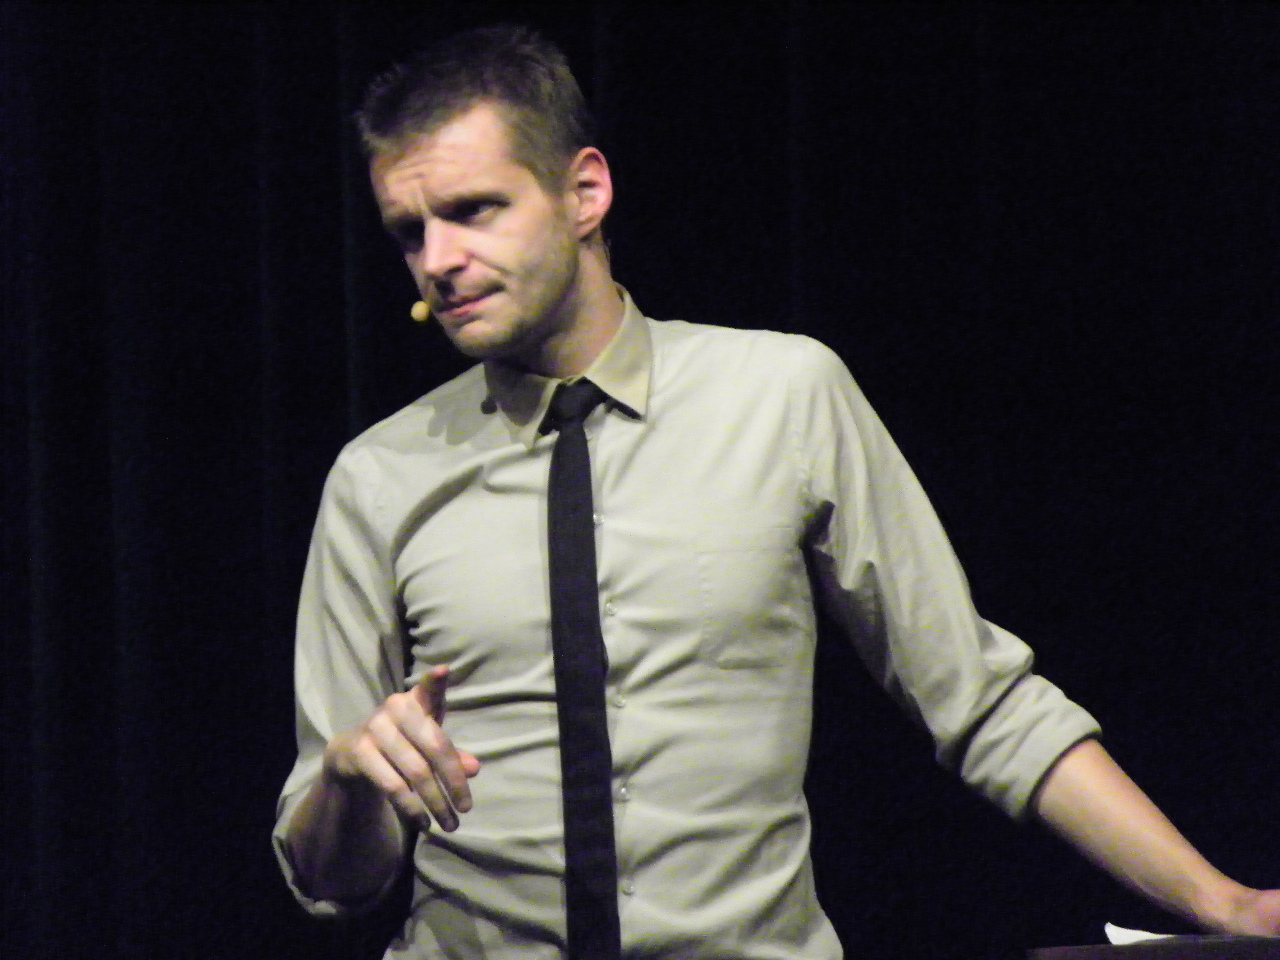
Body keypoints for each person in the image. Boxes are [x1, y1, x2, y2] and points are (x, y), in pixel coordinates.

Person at [274, 23, 1280, 959]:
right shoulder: (379, 478)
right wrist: (351, 779)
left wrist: (1222, 905)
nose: (438, 261)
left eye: (472, 210)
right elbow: (331, 880)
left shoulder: (782, 396)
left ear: (584, 192)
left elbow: (981, 703)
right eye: (409, 231)